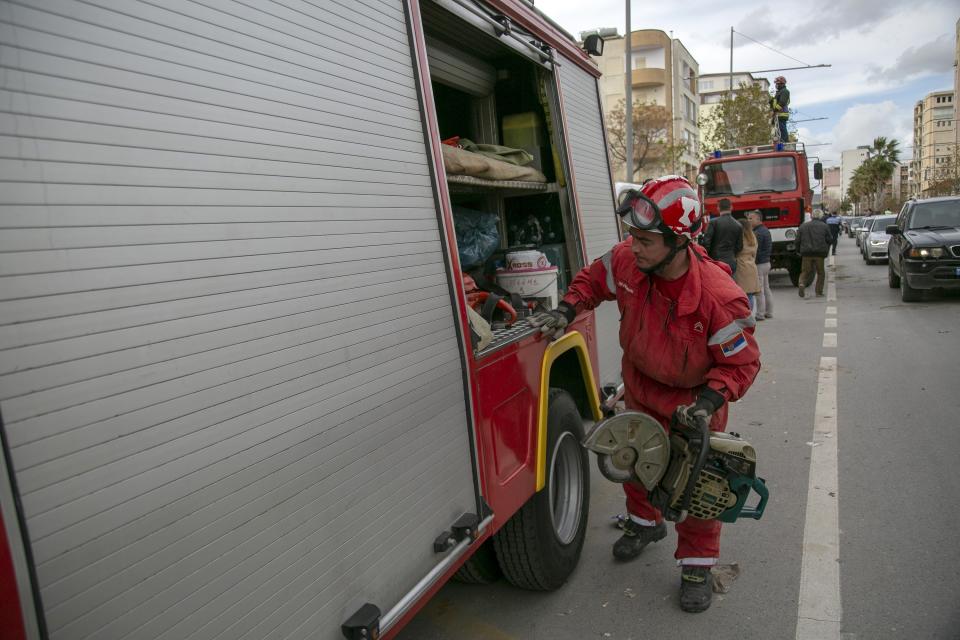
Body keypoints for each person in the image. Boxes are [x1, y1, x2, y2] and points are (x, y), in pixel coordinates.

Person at [529, 176, 761, 613]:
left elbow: (742, 363)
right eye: (632, 236)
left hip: (694, 405)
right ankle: (644, 524)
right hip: (639, 389)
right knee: (634, 463)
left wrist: (708, 405)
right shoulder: (627, 263)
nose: (633, 247)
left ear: (679, 241)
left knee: (697, 488)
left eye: (646, 240)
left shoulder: (719, 296)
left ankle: (696, 566)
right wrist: (566, 308)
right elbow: (593, 279)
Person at [700, 198, 742, 274]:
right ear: (731, 207)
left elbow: (706, 242)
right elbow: (739, 246)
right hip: (731, 260)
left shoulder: (713, 222)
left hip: (716, 260)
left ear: (718, 208)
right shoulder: (738, 225)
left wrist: (707, 257)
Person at [796, 211, 833, 297]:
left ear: (812, 216)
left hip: (806, 253)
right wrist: (827, 248)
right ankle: (818, 292)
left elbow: (797, 240)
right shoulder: (824, 226)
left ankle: (801, 284)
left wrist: (798, 251)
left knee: (805, 271)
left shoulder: (803, 226)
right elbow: (830, 239)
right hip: (819, 253)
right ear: (820, 216)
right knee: (820, 272)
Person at [748, 210, 773, 320]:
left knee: (759, 290)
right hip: (766, 262)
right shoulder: (766, 230)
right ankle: (769, 312)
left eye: (751, 218)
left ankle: (760, 314)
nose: (749, 221)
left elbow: (754, 250)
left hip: (759, 264)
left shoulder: (757, 233)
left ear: (758, 219)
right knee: (766, 288)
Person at [734, 218, 761, 315]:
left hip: (741, 265)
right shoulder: (753, 237)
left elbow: (736, 250)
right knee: (750, 295)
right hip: (751, 265)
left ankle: (744, 315)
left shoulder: (740, 237)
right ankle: (750, 314)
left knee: (741, 294)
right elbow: (755, 252)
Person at [770, 76, 790, 142]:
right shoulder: (779, 92)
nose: (776, 85)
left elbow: (782, 102)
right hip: (777, 115)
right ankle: (780, 142)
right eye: (776, 84)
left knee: (782, 130)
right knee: (778, 131)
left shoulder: (785, 91)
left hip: (781, 114)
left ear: (782, 84)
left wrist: (775, 110)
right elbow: (775, 103)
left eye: (777, 84)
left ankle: (785, 142)